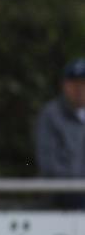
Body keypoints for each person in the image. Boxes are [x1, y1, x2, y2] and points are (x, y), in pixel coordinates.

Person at [34, 57, 85, 208]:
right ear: (64, 85)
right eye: (74, 84)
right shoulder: (51, 115)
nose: (80, 89)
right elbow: (48, 163)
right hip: (62, 198)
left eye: (83, 83)